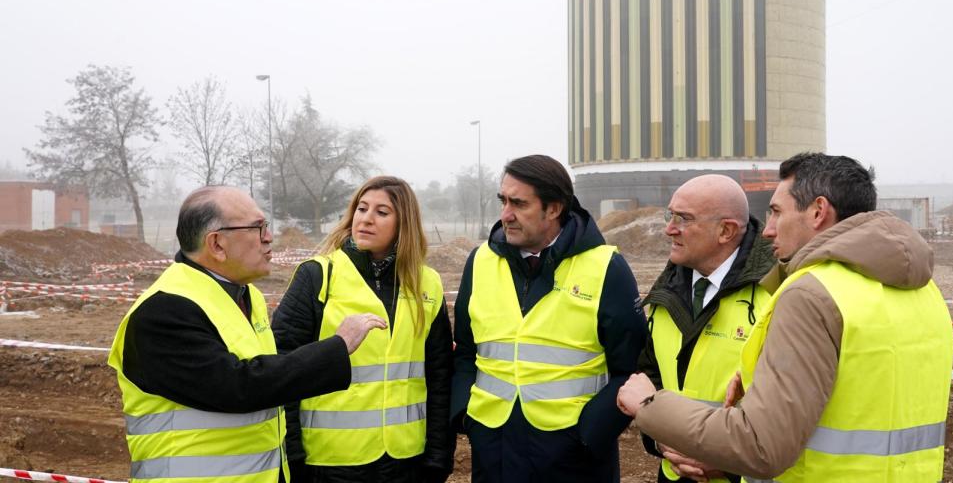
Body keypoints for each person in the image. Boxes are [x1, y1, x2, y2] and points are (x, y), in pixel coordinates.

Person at [618, 153, 953, 482]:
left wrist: (649, 405)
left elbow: (762, 446)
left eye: (777, 212)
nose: (767, 230)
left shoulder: (810, 293)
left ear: (818, 212)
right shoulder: (926, 293)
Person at [109, 186, 387, 483]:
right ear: (216, 244)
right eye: (257, 228)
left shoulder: (245, 295)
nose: (269, 237)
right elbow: (240, 386)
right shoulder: (163, 311)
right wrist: (338, 346)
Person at [451, 154, 647, 483]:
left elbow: (631, 368)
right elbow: (466, 352)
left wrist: (589, 434)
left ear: (554, 208)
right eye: (503, 201)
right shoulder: (480, 261)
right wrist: (465, 415)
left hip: (573, 460)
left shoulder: (606, 268)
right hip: (494, 451)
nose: (506, 215)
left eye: (518, 204)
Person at [272, 176, 454, 483]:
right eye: (362, 208)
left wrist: (438, 453)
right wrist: (292, 453)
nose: (366, 219)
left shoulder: (428, 283)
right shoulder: (318, 276)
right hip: (330, 461)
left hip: (405, 460)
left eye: (382, 212)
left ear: (403, 223)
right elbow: (282, 368)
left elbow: (439, 376)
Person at [637, 174, 774, 483]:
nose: (668, 229)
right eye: (669, 215)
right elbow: (650, 374)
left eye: (683, 219)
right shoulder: (667, 289)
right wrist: (660, 441)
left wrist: (728, 463)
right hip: (673, 471)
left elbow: (786, 409)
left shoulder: (775, 294)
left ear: (725, 231)